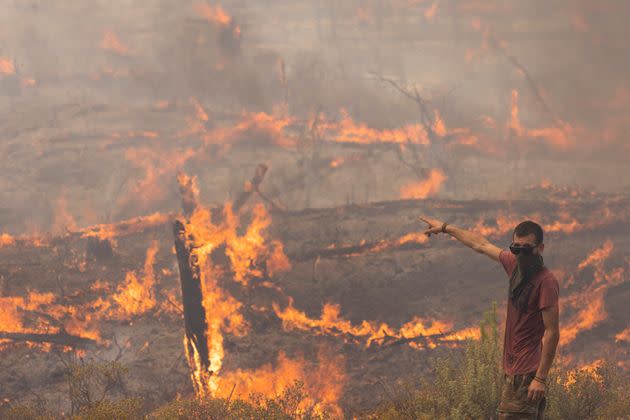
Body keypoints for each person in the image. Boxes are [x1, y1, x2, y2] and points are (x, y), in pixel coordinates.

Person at [418, 216, 560, 419]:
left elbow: (553, 331)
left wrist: (540, 378)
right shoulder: (515, 266)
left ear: (540, 248)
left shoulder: (546, 282)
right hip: (514, 370)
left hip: (526, 373)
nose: (520, 254)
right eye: (515, 248)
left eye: (526, 249)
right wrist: (446, 228)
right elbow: (480, 244)